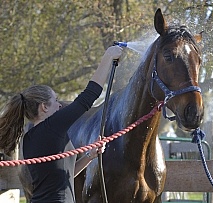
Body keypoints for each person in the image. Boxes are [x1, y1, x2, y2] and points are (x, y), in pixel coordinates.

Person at [0, 45, 123, 202]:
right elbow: (87, 97)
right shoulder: (51, 127)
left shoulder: (29, 138)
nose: (59, 105)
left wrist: (89, 156)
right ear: (44, 107)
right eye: (55, 100)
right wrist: (108, 56)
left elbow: (65, 177)